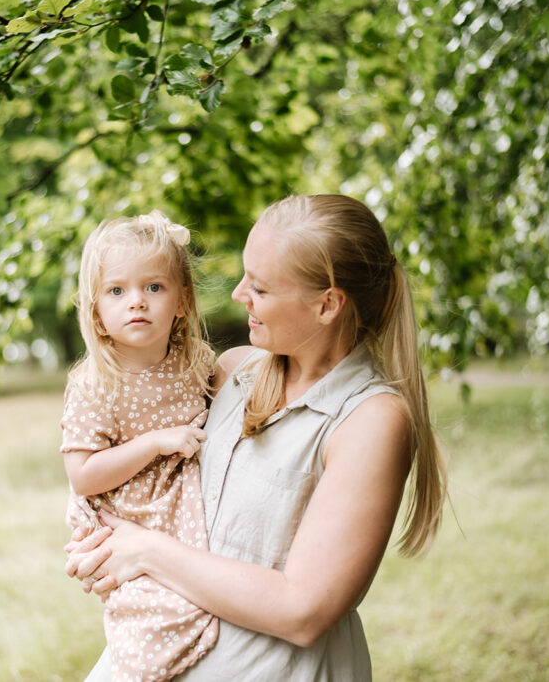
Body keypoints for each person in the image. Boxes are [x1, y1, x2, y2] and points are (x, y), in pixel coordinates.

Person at [65, 194, 447, 681]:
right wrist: (96, 539)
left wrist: (143, 550)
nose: (238, 294)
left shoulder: (369, 419)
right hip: (148, 657)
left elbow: (303, 610)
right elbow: (135, 478)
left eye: (261, 288)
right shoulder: (226, 373)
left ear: (327, 304)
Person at [60, 210, 219, 681]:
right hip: (124, 512)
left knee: (200, 596)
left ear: (183, 300)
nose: (138, 302)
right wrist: (154, 443)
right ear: (96, 312)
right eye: (117, 290)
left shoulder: (195, 361)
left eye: (154, 287)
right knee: (150, 625)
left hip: (177, 502)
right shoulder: (95, 384)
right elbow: (83, 475)